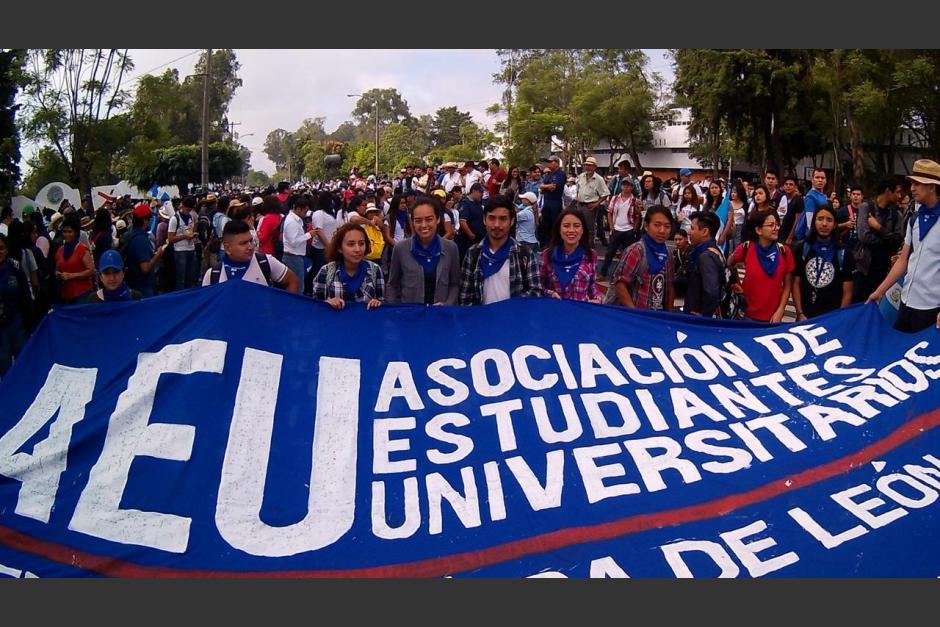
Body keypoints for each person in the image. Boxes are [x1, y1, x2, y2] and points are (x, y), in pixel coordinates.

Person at [867, 159, 940, 332]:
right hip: (906, 301)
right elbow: (903, 260)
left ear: (932, 186)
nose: (912, 188)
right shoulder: (914, 219)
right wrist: (880, 290)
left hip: (930, 307)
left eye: (917, 183)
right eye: (912, 183)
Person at [459, 195, 541, 305]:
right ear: (484, 220)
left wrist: (509, 311)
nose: (497, 225)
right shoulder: (473, 253)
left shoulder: (524, 254)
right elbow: (465, 297)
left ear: (511, 221)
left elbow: (535, 293)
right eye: (492, 218)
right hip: (482, 320)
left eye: (503, 219)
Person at [386, 195, 460, 305]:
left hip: (442, 317)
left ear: (438, 219)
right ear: (413, 222)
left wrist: (447, 305)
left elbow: (455, 284)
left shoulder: (451, 248)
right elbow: (392, 284)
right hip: (410, 317)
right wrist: (396, 311)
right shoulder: (401, 249)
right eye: (418, 220)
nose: (424, 225)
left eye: (429, 219)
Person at [728, 210, 795, 323]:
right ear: (758, 230)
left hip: (773, 317)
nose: (776, 228)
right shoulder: (746, 248)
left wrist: (780, 310)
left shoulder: (785, 252)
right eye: (771, 225)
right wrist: (736, 284)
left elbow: (788, 286)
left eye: (777, 224)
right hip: (746, 314)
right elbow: (729, 264)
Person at [605, 205, 675, 311]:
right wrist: (635, 313)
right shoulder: (636, 251)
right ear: (646, 226)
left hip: (657, 316)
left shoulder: (668, 253)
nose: (662, 230)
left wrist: (669, 317)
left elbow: (669, 287)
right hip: (635, 318)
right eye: (657, 225)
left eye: (667, 226)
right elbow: (619, 284)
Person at [791, 205, 853, 320]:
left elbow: (847, 292)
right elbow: (795, 283)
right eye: (820, 219)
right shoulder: (802, 248)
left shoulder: (844, 252)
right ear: (814, 222)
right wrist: (799, 313)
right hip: (804, 317)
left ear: (835, 225)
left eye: (829, 220)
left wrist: (838, 319)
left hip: (831, 318)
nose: (824, 224)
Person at [203, 220, 298, 292]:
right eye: (243, 243)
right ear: (228, 248)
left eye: (251, 241)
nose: (250, 247)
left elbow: (292, 280)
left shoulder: (266, 262)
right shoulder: (212, 275)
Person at [853, 177, 904, 303]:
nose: (900, 196)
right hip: (864, 268)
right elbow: (864, 237)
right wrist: (887, 240)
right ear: (888, 191)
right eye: (897, 192)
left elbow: (897, 240)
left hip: (884, 270)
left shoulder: (896, 215)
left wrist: (878, 227)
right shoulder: (866, 207)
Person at [311, 223, 384, 309]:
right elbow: (316, 306)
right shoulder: (326, 271)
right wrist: (327, 303)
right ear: (340, 248)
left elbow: (382, 302)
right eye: (351, 244)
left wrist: (377, 303)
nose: (357, 249)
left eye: (361, 244)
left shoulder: (375, 269)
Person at [539, 208, 601, 303]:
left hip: (580, 313)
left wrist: (597, 299)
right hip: (553, 312)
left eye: (576, 226)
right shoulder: (547, 255)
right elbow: (539, 287)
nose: (571, 230)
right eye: (566, 226)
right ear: (559, 229)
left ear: (582, 230)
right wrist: (550, 294)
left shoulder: (591, 255)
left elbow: (592, 288)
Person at [0, 233, 31, 378]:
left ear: (6, 250)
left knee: (23, 361)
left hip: (16, 322)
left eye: (1, 248)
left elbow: (25, 294)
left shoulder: (15, 267)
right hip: (1, 329)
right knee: (5, 365)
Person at [684, 211, 724, 317]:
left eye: (692, 228)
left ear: (705, 231)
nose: (689, 232)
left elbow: (711, 291)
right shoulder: (714, 251)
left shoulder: (706, 257)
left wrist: (704, 315)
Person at [601, 181, 642, 279]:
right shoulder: (615, 198)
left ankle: (625, 275)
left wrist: (634, 229)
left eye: (628, 185)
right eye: (624, 185)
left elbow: (637, 216)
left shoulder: (635, 200)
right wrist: (611, 227)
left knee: (628, 254)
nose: (626, 188)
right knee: (610, 252)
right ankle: (603, 273)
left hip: (629, 229)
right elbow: (609, 212)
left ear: (631, 187)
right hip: (616, 228)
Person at [54, 214, 95, 303]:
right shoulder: (60, 250)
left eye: (70, 232)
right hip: (66, 295)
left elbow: (91, 270)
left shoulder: (82, 249)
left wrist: (72, 276)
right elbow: (57, 269)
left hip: (82, 294)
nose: (66, 234)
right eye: (64, 231)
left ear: (76, 233)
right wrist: (58, 274)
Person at [575, 156, 611, 247]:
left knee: (589, 228)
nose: (588, 167)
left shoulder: (599, 179)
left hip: (590, 205)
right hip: (580, 204)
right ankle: (580, 244)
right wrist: (578, 202)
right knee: (579, 225)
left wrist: (596, 204)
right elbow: (578, 189)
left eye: (590, 165)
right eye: (586, 165)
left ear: (595, 167)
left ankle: (590, 246)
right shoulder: (581, 176)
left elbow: (605, 193)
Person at [281, 195, 313, 289]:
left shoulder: (297, 220)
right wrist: (309, 235)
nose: (306, 213)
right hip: (293, 257)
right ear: (298, 209)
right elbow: (293, 241)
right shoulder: (291, 222)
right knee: (297, 287)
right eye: (305, 211)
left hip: (296, 257)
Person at [168, 195, 199, 290]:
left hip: (191, 248)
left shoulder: (190, 217)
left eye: (190, 209)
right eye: (187, 209)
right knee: (181, 277)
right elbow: (170, 238)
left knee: (190, 276)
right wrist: (185, 236)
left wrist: (192, 235)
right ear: (182, 206)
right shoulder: (175, 219)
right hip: (180, 250)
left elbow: (191, 230)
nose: (188, 211)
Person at [538, 155, 567, 246]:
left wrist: (545, 187)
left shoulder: (560, 174)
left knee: (554, 224)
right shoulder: (548, 174)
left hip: (555, 202)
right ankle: (545, 244)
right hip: (546, 202)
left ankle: (555, 244)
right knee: (545, 224)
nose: (548, 164)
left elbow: (553, 187)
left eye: (551, 162)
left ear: (556, 163)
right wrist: (546, 187)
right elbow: (541, 186)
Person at [794, 168, 828, 242]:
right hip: (812, 235)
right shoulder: (810, 197)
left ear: (826, 181)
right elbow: (810, 222)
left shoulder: (822, 195)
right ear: (812, 180)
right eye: (817, 177)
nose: (820, 180)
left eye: (822, 178)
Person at [457, 182, 486, 259]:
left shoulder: (478, 203)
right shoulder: (465, 203)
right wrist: (471, 235)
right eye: (480, 192)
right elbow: (462, 221)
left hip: (479, 237)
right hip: (469, 240)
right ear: (474, 191)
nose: (482, 194)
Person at [719, 181, 749, 252]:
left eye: (735, 192)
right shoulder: (727, 203)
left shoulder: (746, 205)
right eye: (732, 192)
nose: (733, 194)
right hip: (729, 228)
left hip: (740, 229)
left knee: (738, 248)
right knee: (729, 248)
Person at [514, 192, 541, 257]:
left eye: (523, 198)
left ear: (527, 201)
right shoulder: (532, 211)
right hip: (533, 241)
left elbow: (512, 219)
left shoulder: (524, 213)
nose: (522, 199)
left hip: (524, 241)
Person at [781, 175, 804, 245]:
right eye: (786, 184)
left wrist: (790, 237)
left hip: (791, 238)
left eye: (791, 184)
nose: (788, 186)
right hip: (781, 234)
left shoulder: (798, 200)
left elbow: (797, 220)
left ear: (795, 187)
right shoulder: (782, 198)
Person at [672, 228, 692, 299]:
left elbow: (685, 269)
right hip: (681, 276)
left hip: (690, 278)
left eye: (680, 239)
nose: (677, 242)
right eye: (675, 240)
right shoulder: (676, 251)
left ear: (686, 239)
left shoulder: (691, 251)